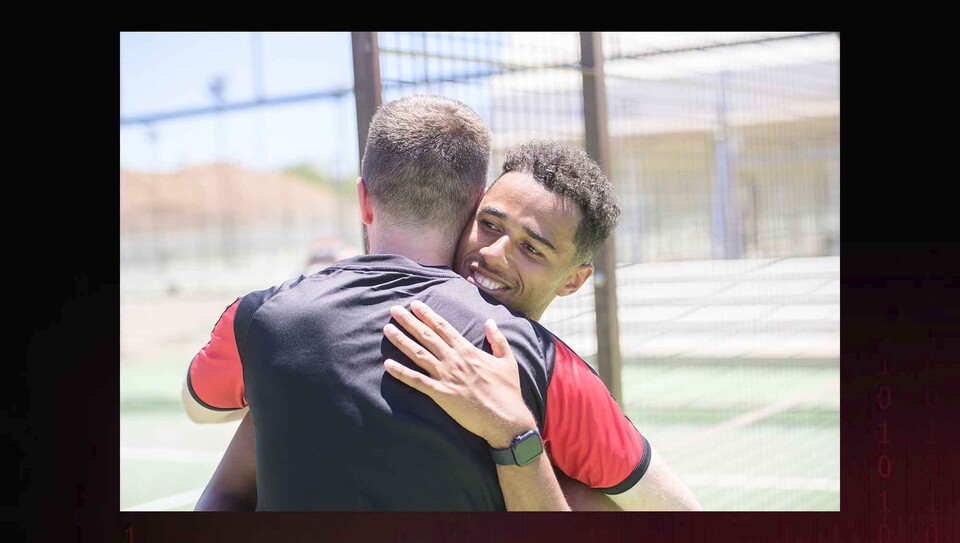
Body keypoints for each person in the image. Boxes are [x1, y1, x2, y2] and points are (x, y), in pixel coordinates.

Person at [185, 106, 697, 510]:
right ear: (470, 204)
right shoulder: (543, 362)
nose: (494, 253)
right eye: (491, 225)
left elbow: (201, 412)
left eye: (532, 248)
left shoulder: (264, 318)